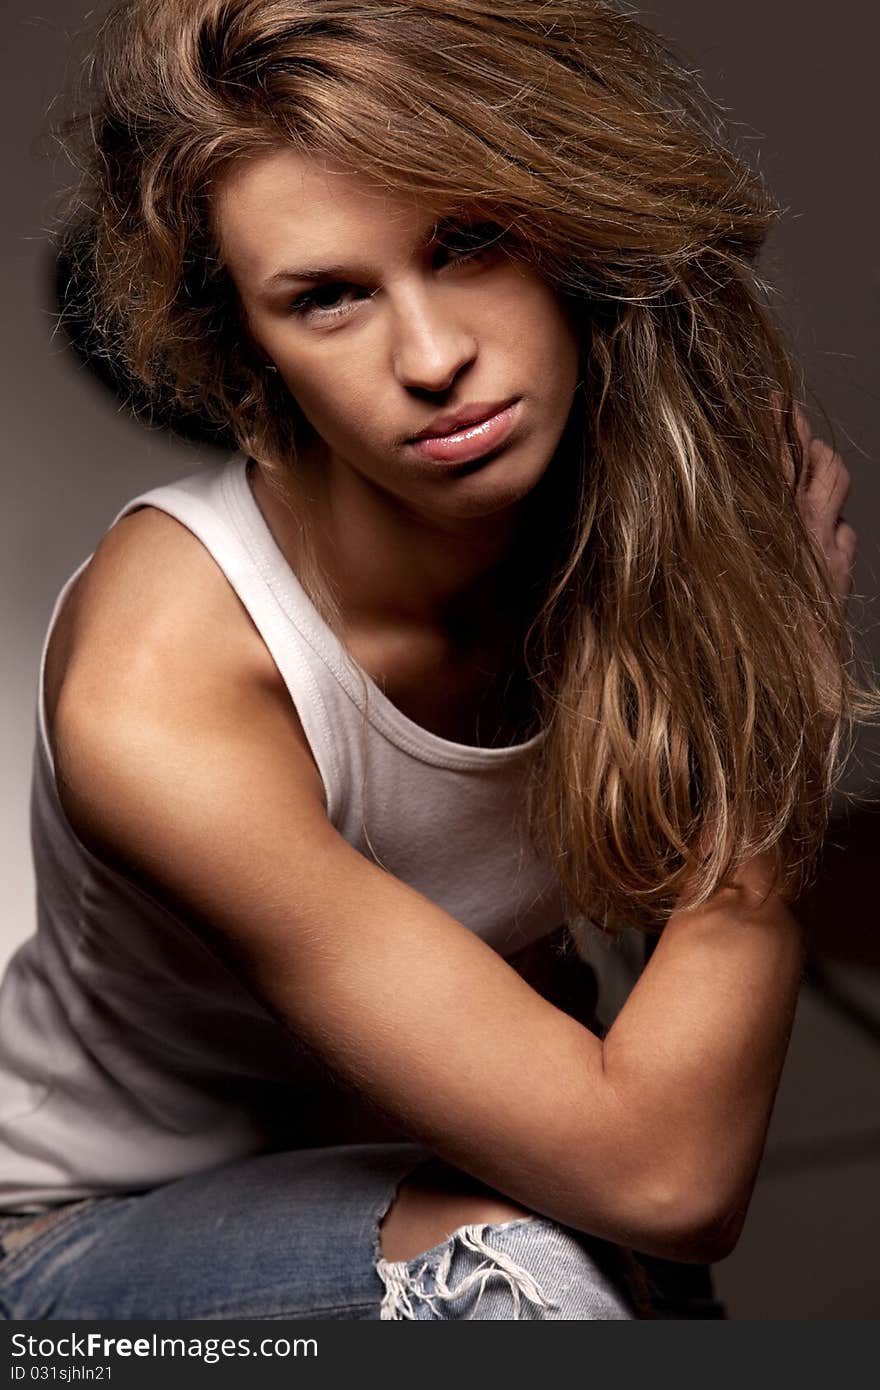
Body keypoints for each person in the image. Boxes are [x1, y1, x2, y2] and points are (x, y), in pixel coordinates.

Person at [0, 0, 872, 1321]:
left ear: (573, 220)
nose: (432, 358)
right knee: (523, 1270)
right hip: (77, 1258)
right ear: (252, 346)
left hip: (454, 1166)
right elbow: (668, 1169)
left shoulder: (647, 511)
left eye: (466, 243)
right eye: (328, 297)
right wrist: (772, 712)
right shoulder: (167, 682)